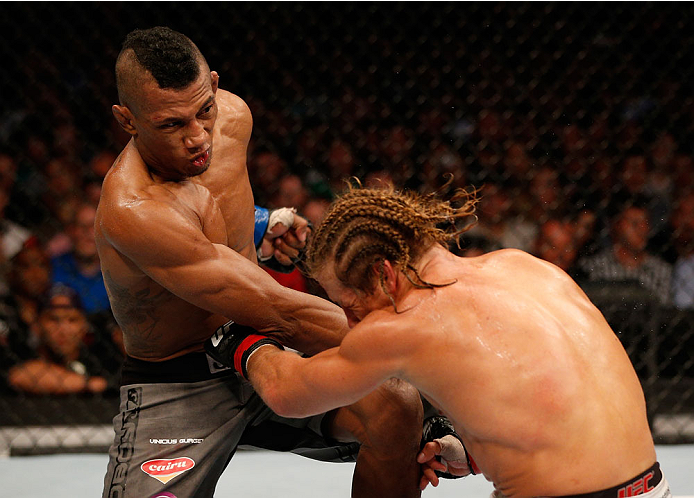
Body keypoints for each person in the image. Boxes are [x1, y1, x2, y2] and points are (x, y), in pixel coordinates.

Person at [96, 27, 424, 498]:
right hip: (179, 377)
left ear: (213, 84)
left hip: (263, 350)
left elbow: (209, 213)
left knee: (398, 405)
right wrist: (426, 346)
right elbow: (280, 310)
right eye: (171, 125)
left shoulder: (232, 117)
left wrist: (258, 223)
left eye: (203, 110)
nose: (197, 137)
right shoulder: (132, 209)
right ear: (127, 120)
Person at [212, 185, 670, 497]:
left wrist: (240, 339)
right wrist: (474, 451)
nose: (350, 322)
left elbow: (288, 394)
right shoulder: (524, 266)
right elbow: (562, 393)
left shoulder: (404, 324)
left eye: (350, 304)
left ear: (385, 275)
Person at [7, 283, 109, 395]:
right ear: (37, 326)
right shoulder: (21, 353)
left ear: (84, 326)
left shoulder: (100, 360)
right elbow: (19, 376)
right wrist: (89, 383)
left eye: (72, 320)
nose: (63, 330)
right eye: (53, 319)